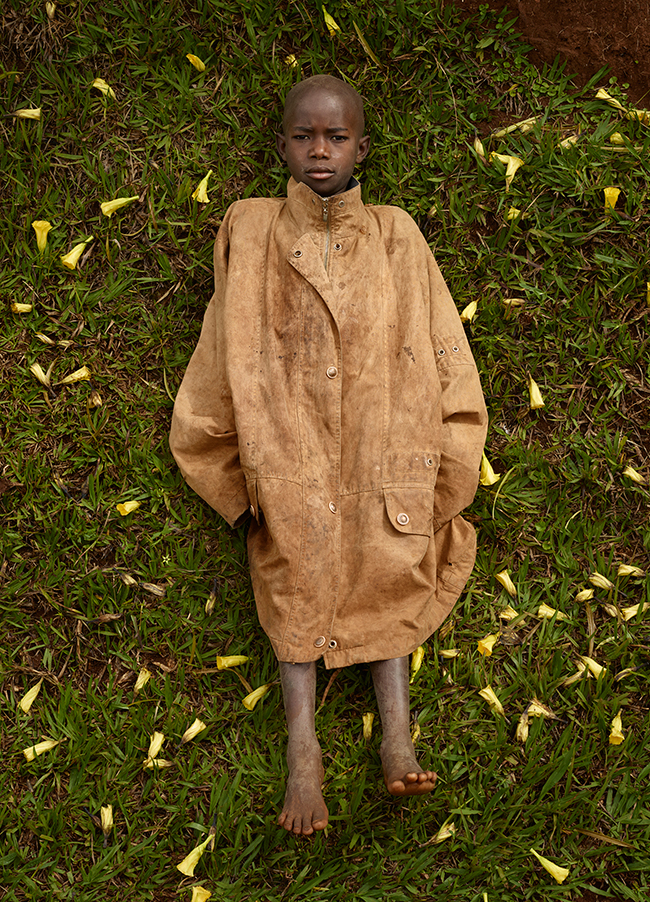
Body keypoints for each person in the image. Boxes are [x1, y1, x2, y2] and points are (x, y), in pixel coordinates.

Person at [170, 74, 487, 835]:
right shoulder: (249, 229)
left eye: (336, 137)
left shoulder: (397, 233)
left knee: (391, 562)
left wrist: (447, 453)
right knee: (293, 581)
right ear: (280, 144)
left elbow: (445, 341)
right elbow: (221, 349)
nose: (319, 151)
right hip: (287, 449)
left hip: (389, 442)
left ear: (361, 150)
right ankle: (301, 753)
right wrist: (232, 483)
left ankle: (397, 735)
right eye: (305, 136)